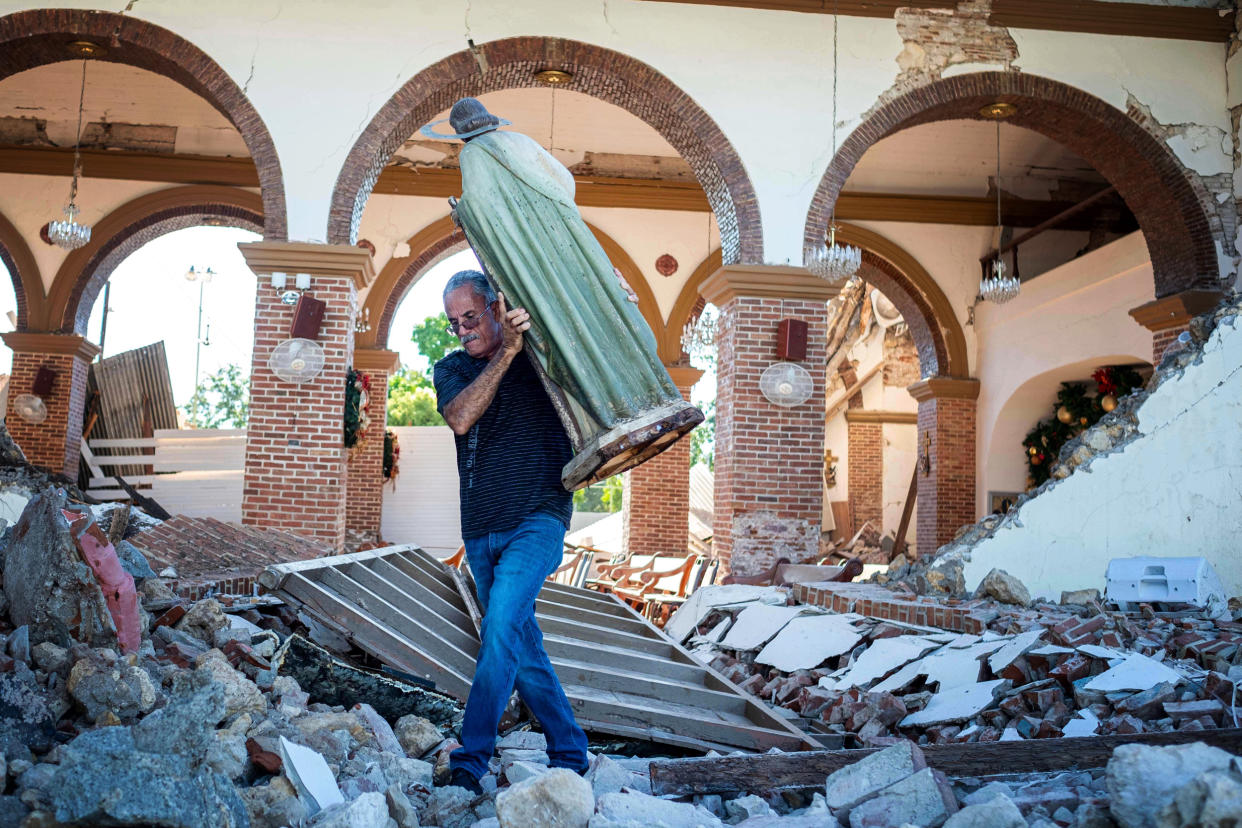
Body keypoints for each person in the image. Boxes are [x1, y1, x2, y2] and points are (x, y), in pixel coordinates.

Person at [432, 269, 590, 794]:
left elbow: (590, 340)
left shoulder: (542, 358)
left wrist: (610, 293)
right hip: (480, 529)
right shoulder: (452, 368)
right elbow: (460, 418)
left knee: (500, 623)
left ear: (496, 308)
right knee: (521, 645)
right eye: (455, 322)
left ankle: (471, 759)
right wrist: (505, 353)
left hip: (539, 517)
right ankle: (570, 750)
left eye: (471, 317)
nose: (462, 330)